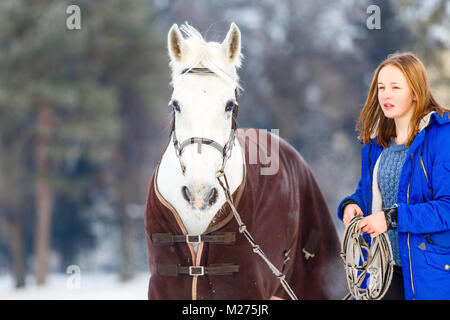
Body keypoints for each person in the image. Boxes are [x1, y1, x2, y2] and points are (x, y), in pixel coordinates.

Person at [337, 52, 450, 300]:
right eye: (381, 87)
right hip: (381, 271)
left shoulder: (442, 138)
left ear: (415, 92)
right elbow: (367, 193)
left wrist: (391, 218)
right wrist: (351, 205)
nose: (386, 94)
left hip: (428, 275)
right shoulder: (378, 144)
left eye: (395, 87)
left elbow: (447, 208)